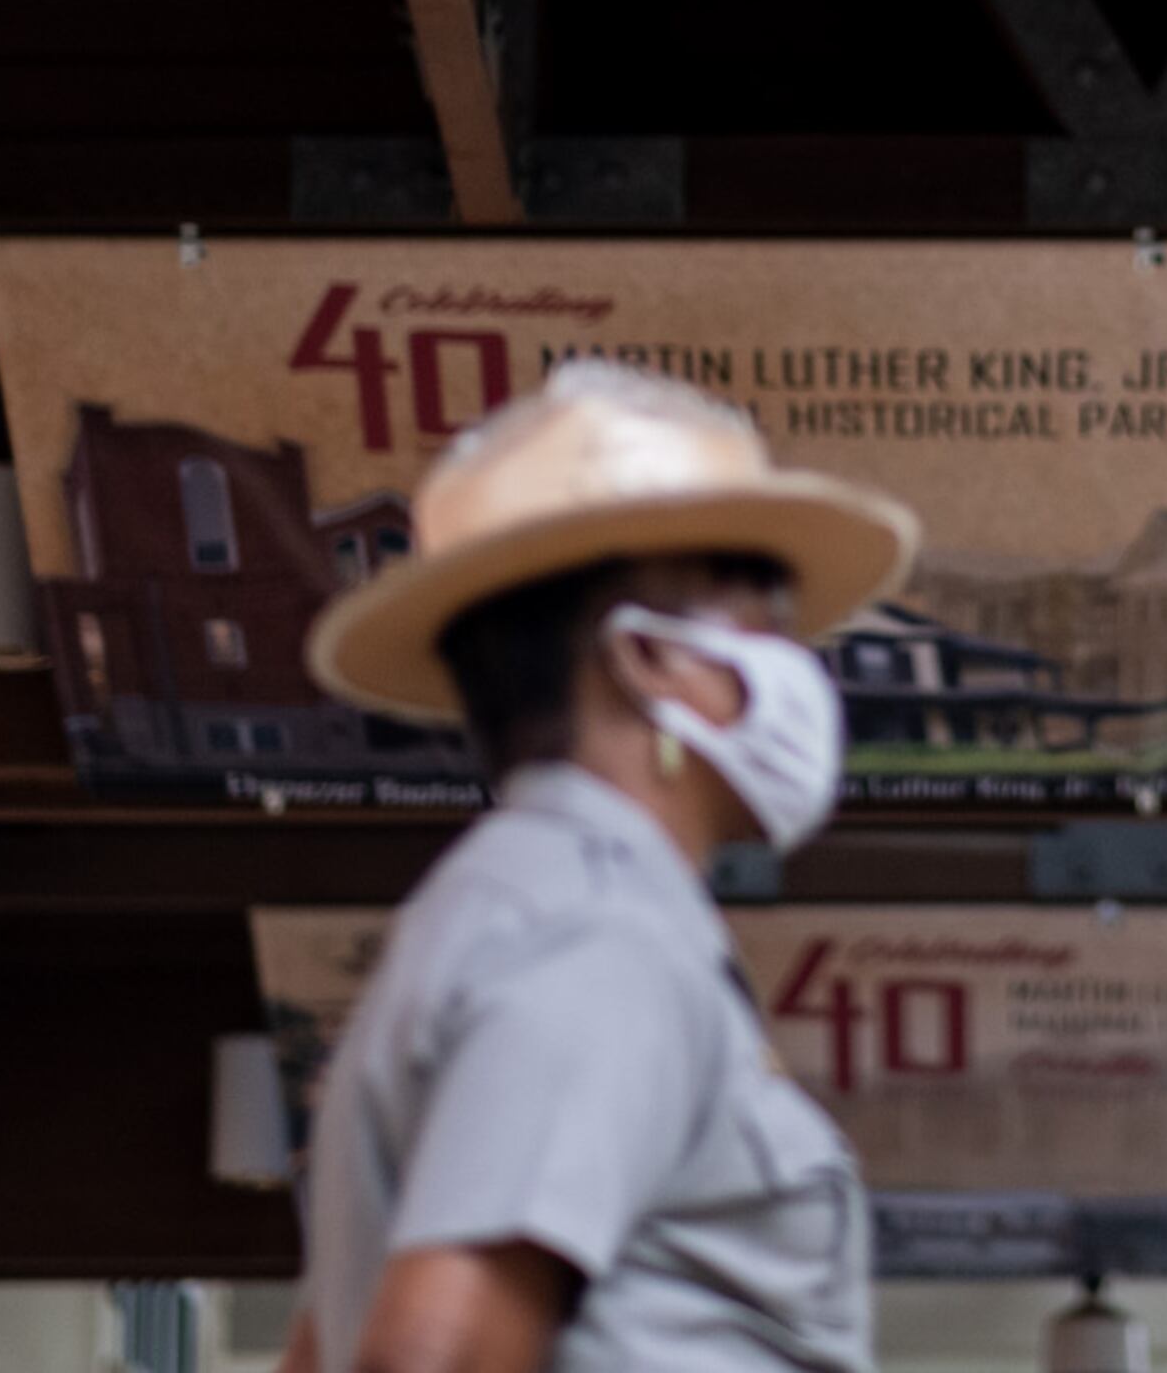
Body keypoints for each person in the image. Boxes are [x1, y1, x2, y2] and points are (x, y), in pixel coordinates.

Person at [273, 362, 918, 1373]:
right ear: (645, 659)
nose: (801, 675)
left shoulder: (493, 910)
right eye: (762, 628)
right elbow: (429, 1354)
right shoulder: (597, 931)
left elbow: (324, 1349)